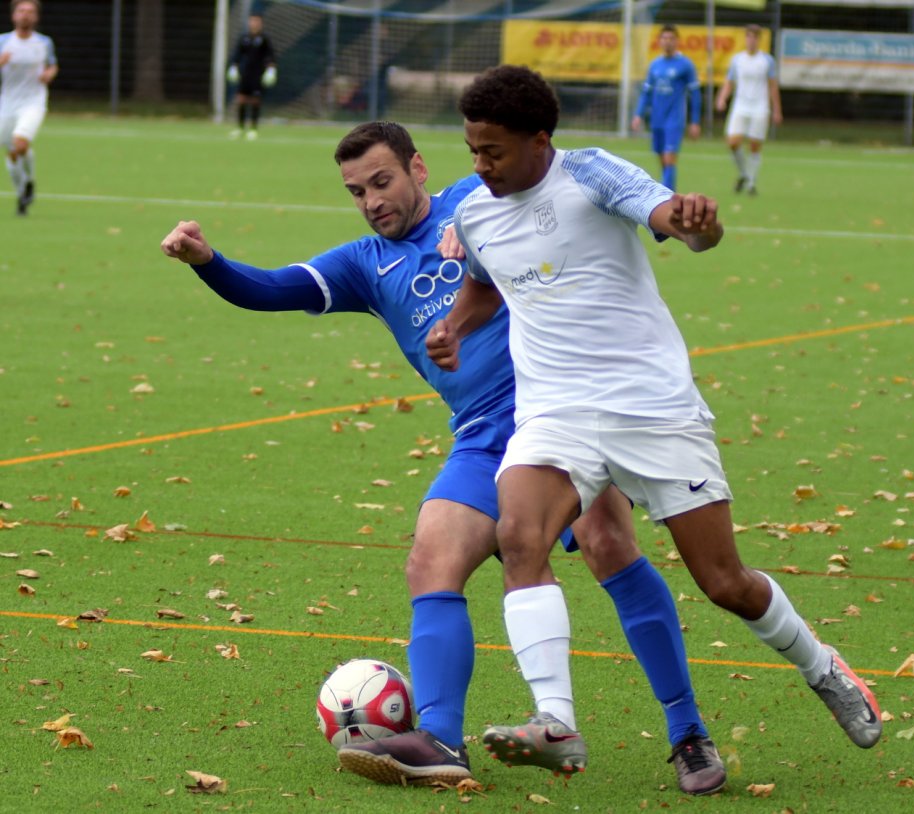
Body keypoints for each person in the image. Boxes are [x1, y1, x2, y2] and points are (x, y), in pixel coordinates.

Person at [160, 121, 727, 796]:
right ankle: (440, 740)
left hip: (558, 409)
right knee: (432, 557)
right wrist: (207, 261)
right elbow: (273, 288)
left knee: (607, 542)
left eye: (382, 181)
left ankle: (688, 732)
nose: (371, 200)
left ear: (417, 169)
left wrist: (474, 221)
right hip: (485, 434)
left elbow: (528, 174)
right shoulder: (364, 265)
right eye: (356, 191)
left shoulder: (475, 194)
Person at [427, 65, 882, 788]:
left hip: (651, 406)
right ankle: (556, 720)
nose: (479, 167)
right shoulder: (477, 214)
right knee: (520, 535)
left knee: (725, 581)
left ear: (539, 140)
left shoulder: (592, 175)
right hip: (555, 411)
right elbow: (486, 283)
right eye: (472, 149)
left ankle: (823, 668)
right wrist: (453, 326)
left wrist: (700, 224)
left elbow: (674, 220)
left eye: (493, 152)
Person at [0, 0, 56, 216]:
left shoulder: (44, 43)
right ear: (14, 16)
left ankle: (27, 184)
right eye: (21, 11)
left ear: (36, 17)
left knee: (20, 144)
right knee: (13, 153)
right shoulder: (3, 41)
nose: (25, 14)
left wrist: (50, 73)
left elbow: (52, 64)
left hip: (33, 103)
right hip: (6, 105)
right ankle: (24, 189)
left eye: (30, 11)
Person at [631, 24, 700, 191]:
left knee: (670, 159)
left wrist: (695, 121)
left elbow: (695, 94)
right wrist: (638, 115)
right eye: (664, 38)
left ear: (677, 41)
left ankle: (664, 197)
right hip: (657, 119)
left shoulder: (685, 65)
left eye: (671, 38)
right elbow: (646, 93)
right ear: (659, 41)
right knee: (662, 159)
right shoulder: (655, 65)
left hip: (675, 119)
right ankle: (670, 192)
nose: (667, 42)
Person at [714, 24, 781, 196]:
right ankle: (744, 173)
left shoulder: (767, 60)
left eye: (754, 37)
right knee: (733, 142)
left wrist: (776, 110)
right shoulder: (738, 59)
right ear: (745, 39)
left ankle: (751, 183)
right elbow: (730, 82)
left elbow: (773, 86)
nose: (751, 40)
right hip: (740, 106)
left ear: (759, 40)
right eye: (748, 37)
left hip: (760, 107)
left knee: (754, 145)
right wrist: (722, 98)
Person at [227, 13, 276, 141]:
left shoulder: (264, 39)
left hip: (258, 74)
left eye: (256, 21)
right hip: (245, 74)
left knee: (255, 100)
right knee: (241, 99)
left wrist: (271, 69)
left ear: (260, 23)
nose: (254, 24)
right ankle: (240, 128)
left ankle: (253, 129)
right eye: (252, 21)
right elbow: (237, 54)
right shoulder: (244, 38)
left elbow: (270, 56)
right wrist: (233, 66)